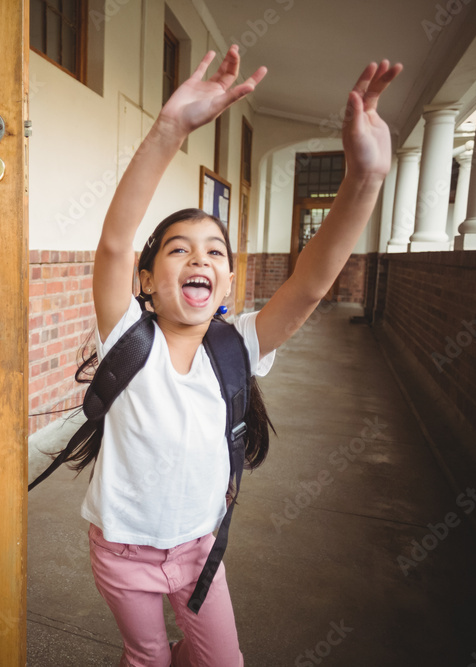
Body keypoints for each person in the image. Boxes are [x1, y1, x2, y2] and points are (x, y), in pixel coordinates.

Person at [70, 46, 403, 666]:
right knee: (147, 659)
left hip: (201, 551)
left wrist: (365, 182)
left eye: (215, 252)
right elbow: (115, 244)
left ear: (226, 284)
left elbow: (308, 285)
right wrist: (170, 129)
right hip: (124, 553)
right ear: (145, 280)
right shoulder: (125, 338)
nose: (200, 259)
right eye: (178, 249)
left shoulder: (238, 347)